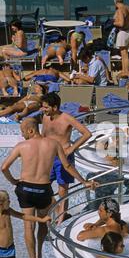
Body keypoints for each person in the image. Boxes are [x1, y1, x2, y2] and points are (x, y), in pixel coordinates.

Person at [1, 118, 96, 258]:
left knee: (28, 226)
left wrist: (13, 181)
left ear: (31, 130)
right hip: (43, 190)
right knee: (42, 223)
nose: (23, 135)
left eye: (23, 132)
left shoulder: (22, 146)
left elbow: (4, 167)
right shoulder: (54, 144)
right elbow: (66, 165)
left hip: (25, 189)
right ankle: (41, 254)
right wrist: (83, 181)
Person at [41, 92, 92, 223]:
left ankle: (60, 221)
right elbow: (43, 136)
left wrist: (72, 148)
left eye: (46, 107)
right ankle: (59, 212)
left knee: (63, 190)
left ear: (55, 107)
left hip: (63, 157)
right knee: (43, 186)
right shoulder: (45, 117)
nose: (43, 109)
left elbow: (87, 133)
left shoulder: (67, 118)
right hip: (48, 157)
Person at [113, 0, 129, 75]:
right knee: (125, 52)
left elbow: (121, 23)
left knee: (124, 53)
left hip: (123, 32)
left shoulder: (120, 9)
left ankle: (125, 71)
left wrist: (114, 22)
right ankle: (126, 70)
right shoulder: (128, 8)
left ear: (115, 1)